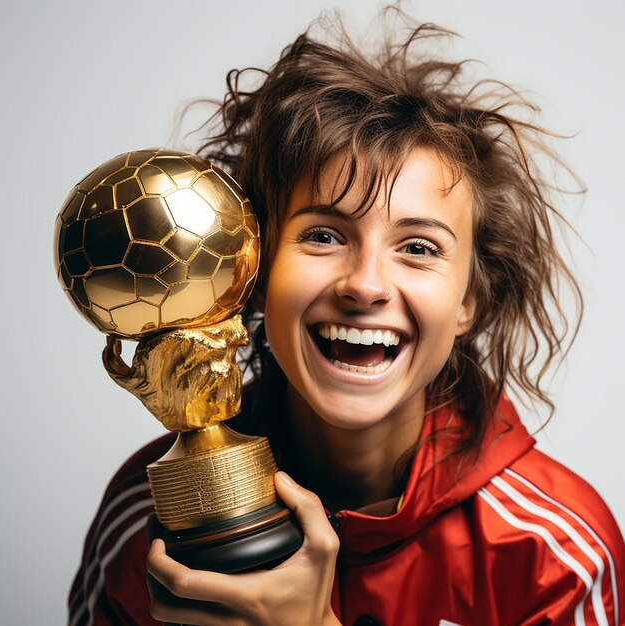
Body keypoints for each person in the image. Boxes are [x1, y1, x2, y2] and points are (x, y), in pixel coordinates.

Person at [68, 10, 625, 626]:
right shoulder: (144, 522)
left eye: (418, 247)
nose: (364, 284)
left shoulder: (553, 553)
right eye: (325, 236)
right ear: (250, 277)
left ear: (469, 302)